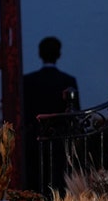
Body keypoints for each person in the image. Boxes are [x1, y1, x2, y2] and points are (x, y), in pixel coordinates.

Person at [23, 36, 80, 191]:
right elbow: (74, 115)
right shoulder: (67, 80)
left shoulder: (28, 81)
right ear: (59, 54)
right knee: (58, 186)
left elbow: (24, 112)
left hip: (34, 140)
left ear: (40, 54)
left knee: (35, 184)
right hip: (60, 143)